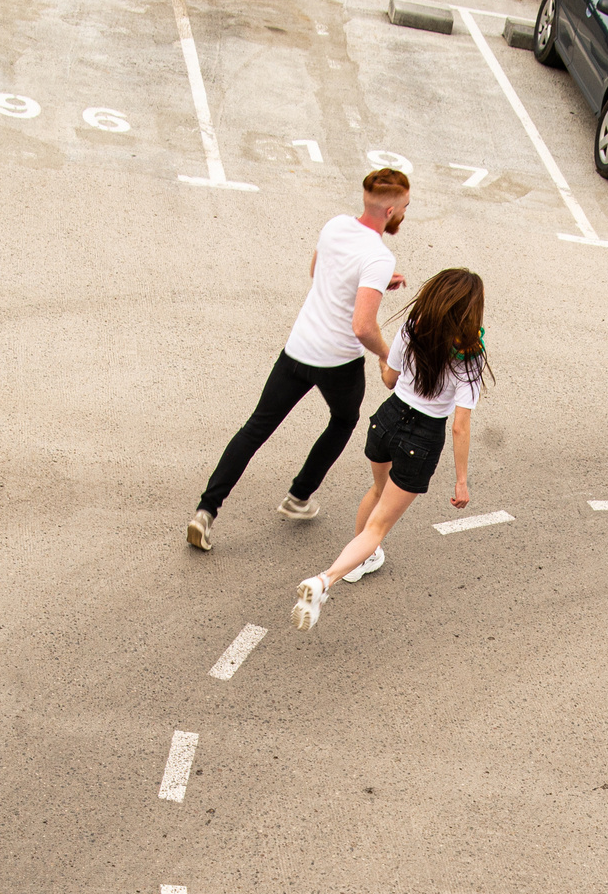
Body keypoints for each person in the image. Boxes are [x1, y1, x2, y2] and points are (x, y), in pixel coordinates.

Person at [187, 170, 410, 553]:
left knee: (255, 428)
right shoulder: (378, 256)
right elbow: (362, 326)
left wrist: (369, 283)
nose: (405, 213)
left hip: (298, 347)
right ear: (390, 210)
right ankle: (299, 496)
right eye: (405, 207)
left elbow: (316, 272)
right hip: (338, 362)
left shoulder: (336, 225)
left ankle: (205, 512)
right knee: (343, 421)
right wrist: (389, 354)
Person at [293, 268, 490, 632]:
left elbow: (389, 380)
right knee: (379, 526)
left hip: (386, 420)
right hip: (423, 438)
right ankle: (326, 580)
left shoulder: (413, 327)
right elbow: (460, 425)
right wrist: (461, 480)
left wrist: (387, 363)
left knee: (377, 491)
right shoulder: (470, 355)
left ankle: (358, 561)